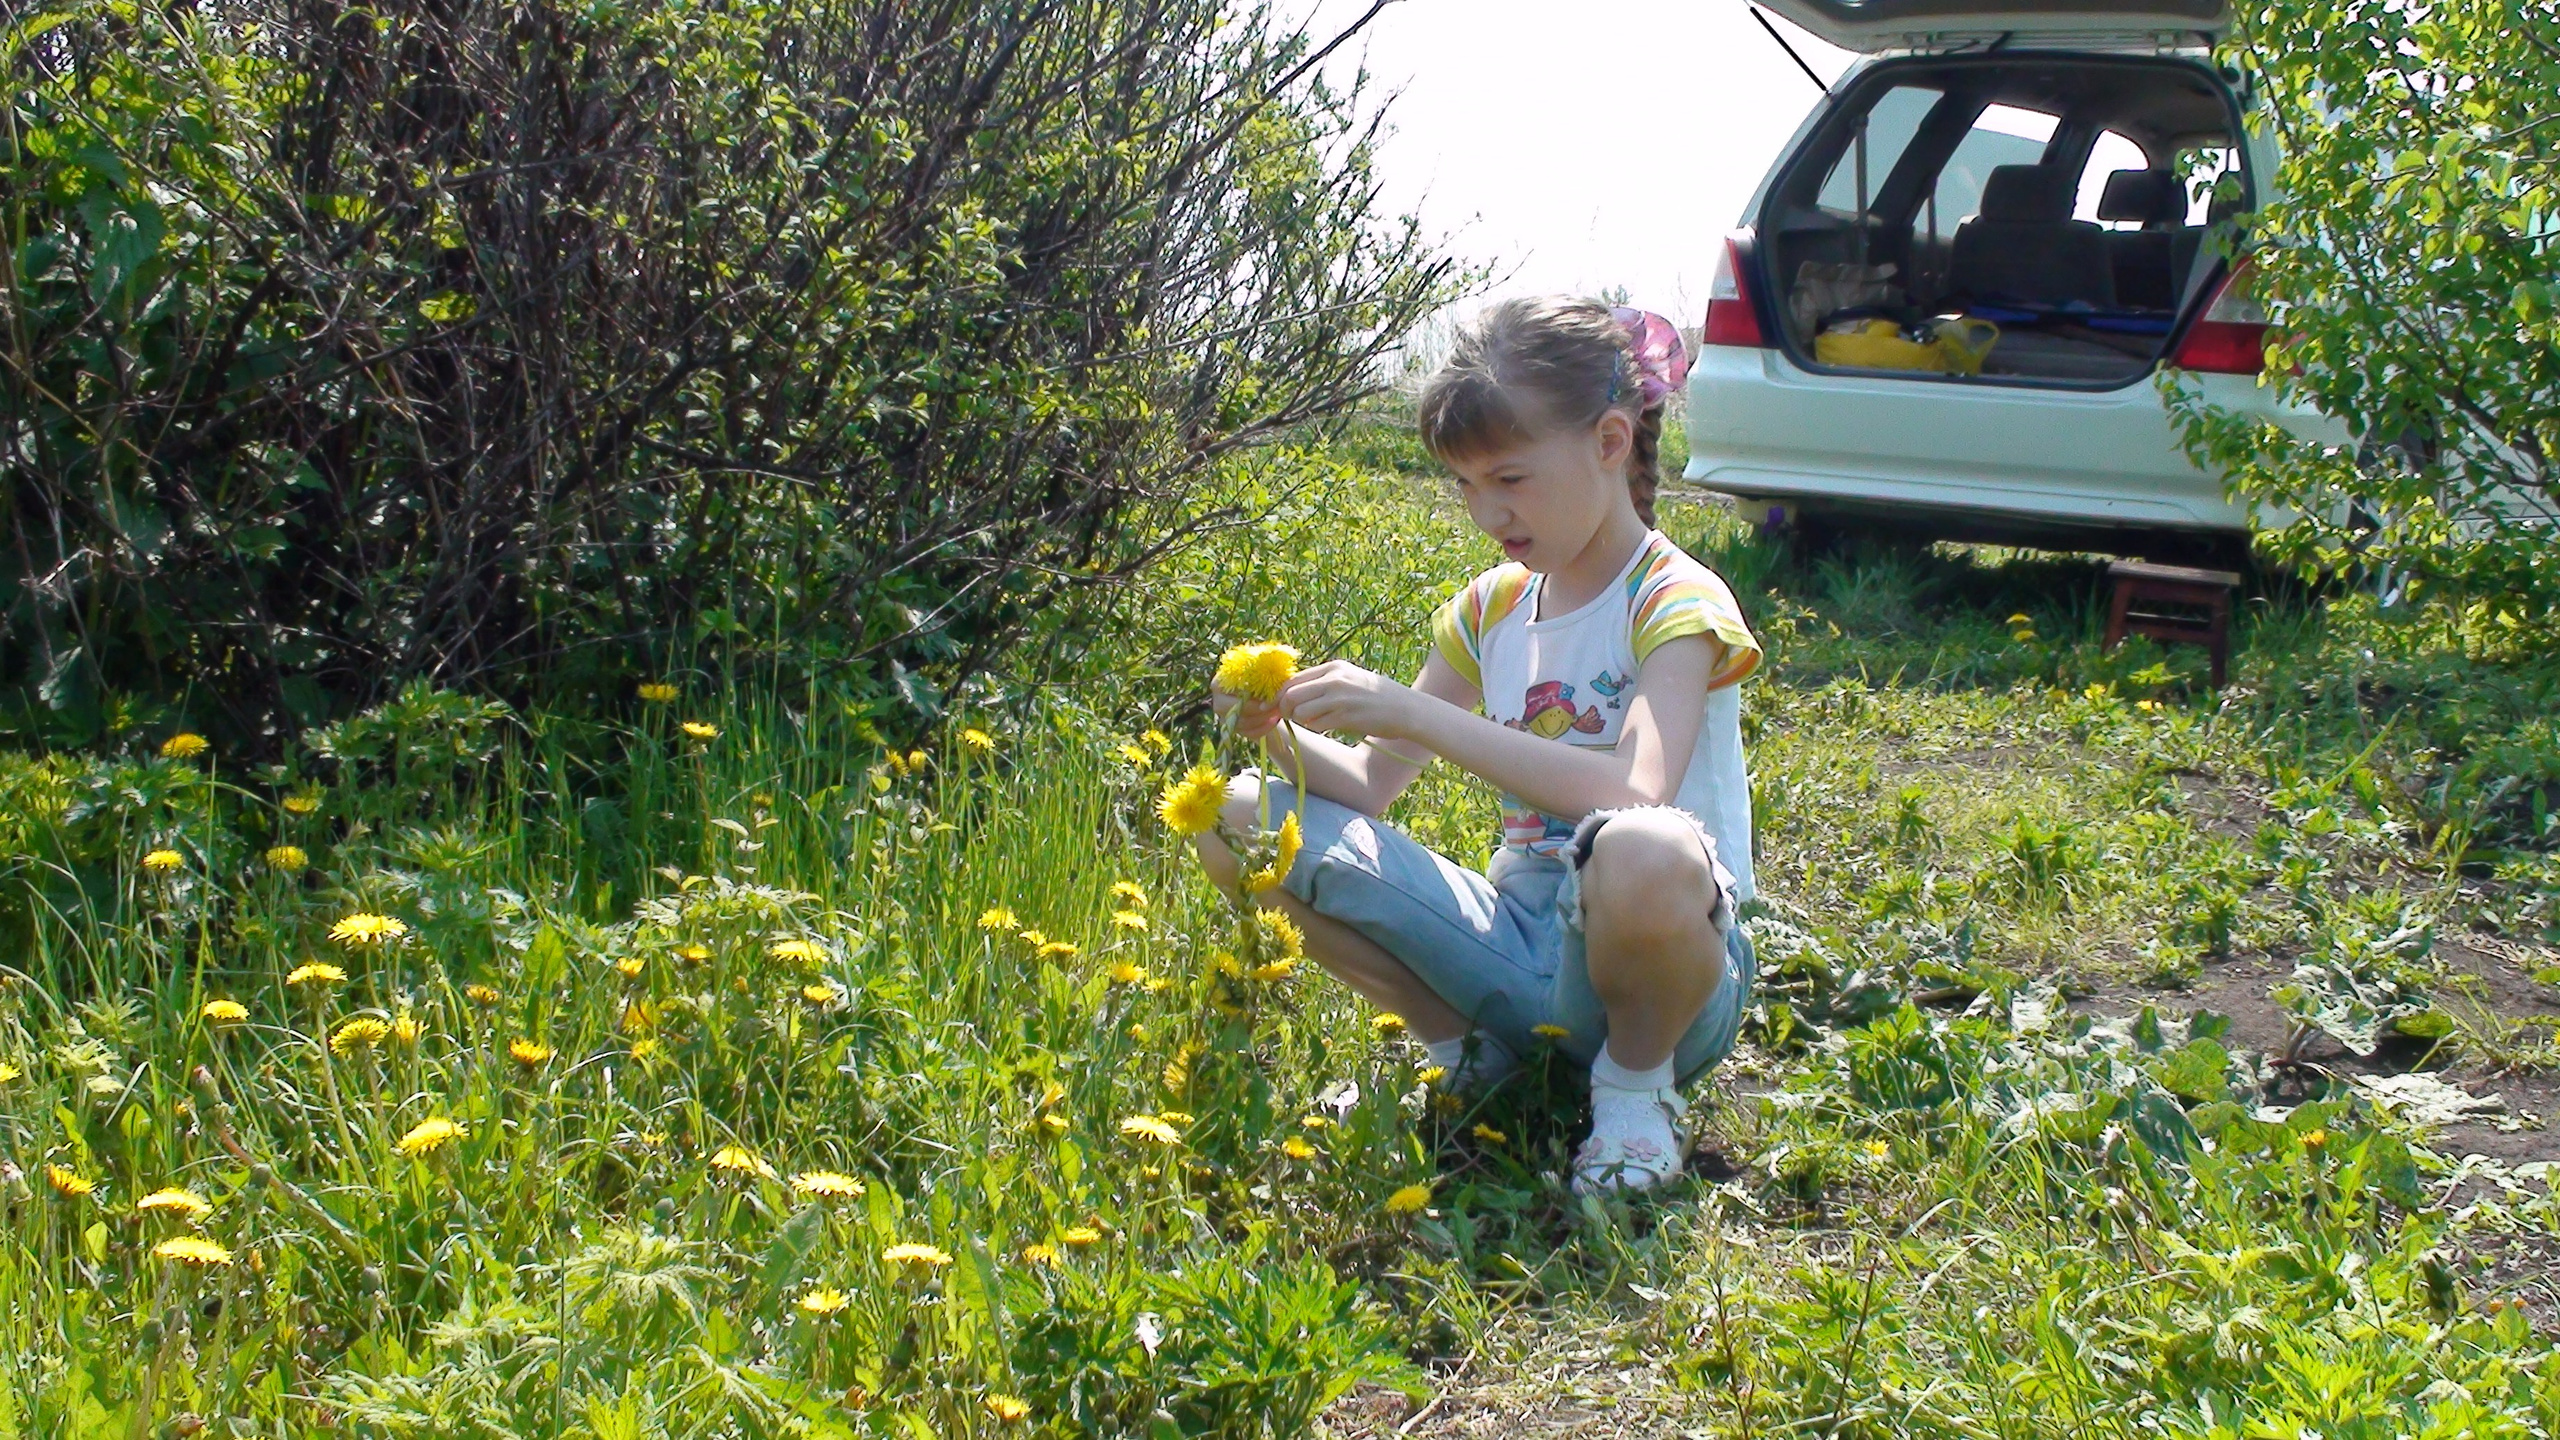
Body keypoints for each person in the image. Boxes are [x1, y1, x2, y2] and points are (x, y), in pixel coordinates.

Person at [1195, 295, 1765, 1195]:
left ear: (1610, 443)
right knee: (1233, 817)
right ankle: (1471, 1060)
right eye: (1464, 484)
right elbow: (1374, 789)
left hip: (1670, 966)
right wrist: (1282, 737)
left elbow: (1640, 789)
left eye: (1509, 477)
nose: (1486, 511)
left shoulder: (1672, 598)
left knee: (1641, 847)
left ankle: (1634, 1091)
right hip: (1516, 939)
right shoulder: (1492, 607)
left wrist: (1419, 715)